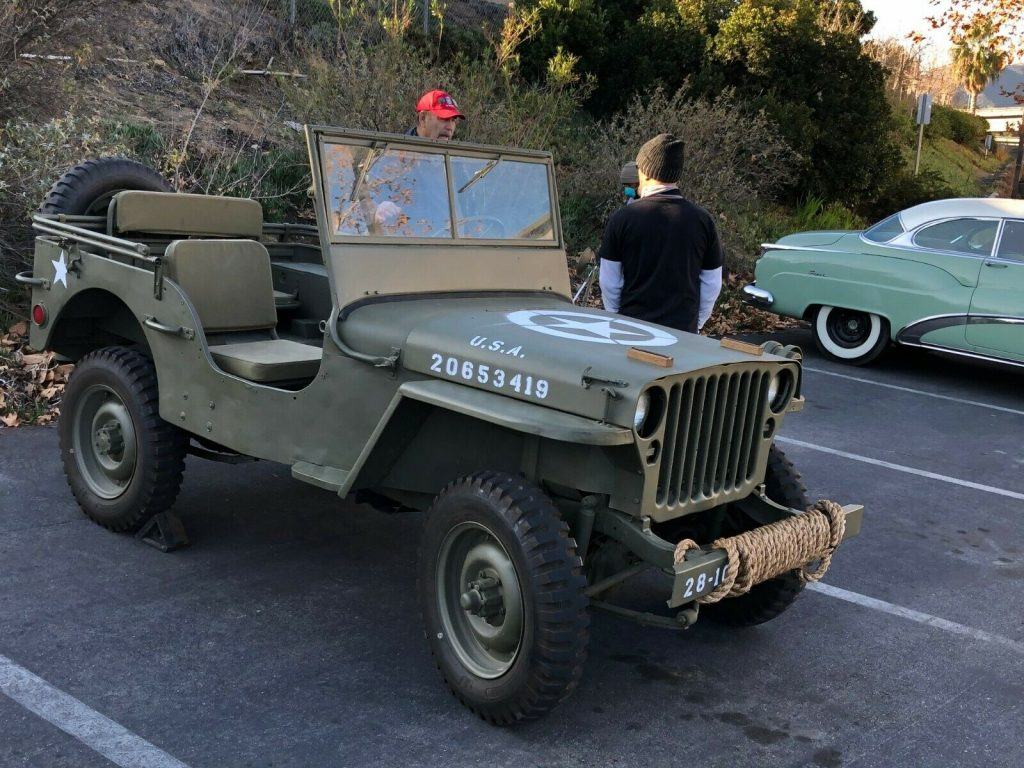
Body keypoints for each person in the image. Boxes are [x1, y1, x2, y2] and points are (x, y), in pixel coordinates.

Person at [598, 133, 723, 334]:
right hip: (682, 334)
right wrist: (695, 324)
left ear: (647, 172)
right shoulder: (703, 221)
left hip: (631, 331)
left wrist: (617, 319)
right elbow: (711, 284)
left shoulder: (623, 219)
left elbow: (609, 282)